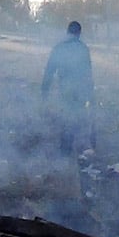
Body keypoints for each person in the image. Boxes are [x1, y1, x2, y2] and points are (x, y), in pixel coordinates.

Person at [41, 21, 95, 154]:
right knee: (76, 117)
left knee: (66, 117)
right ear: (79, 33)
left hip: (65, 90)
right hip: (80, 91)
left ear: (67, 32)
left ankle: (65, 148)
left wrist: (44, 91)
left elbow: (49, 71)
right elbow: (88, 73)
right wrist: (90, 94)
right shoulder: (83, 49)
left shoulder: (59, 48)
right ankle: (72, 145)